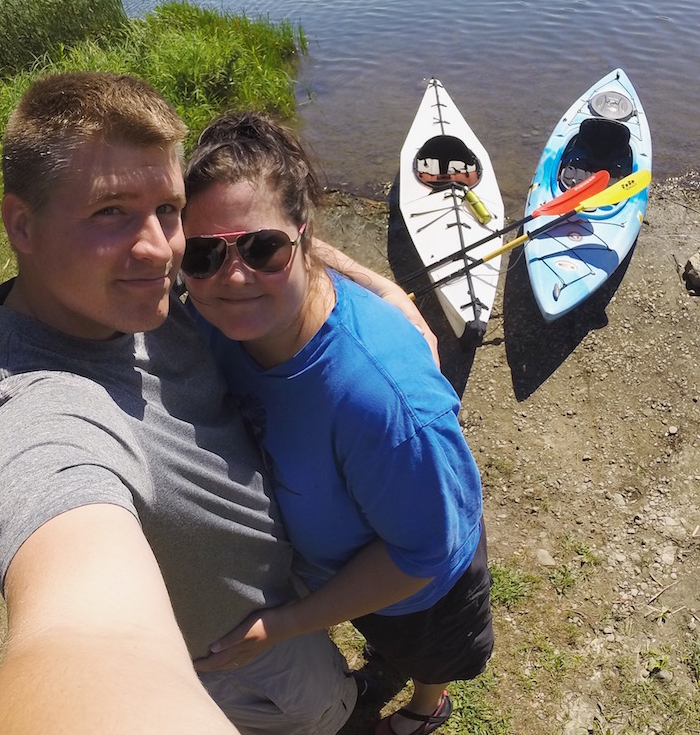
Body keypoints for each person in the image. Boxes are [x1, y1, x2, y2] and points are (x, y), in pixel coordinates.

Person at [0, 71, 436, 735]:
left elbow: (259, 231)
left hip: (288, 595)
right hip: (241, 655)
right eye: (111, 212)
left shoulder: (140, 292)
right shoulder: (39, 413)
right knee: (330, 717)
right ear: (23, 225)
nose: (162, 250)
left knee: (335, 686)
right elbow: (76, 637)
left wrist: (385, 294)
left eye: (168, 209)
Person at [180, 112, 494, 735]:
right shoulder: (216, 323)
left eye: (262, 249)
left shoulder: (382, 401)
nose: (233, 276)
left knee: (428, 654)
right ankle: (388, 662)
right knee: (384, 636)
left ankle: (426, 708)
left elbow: (421, 555)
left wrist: (286, 624)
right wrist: (386, 287)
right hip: (345, 570)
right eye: (205, 252)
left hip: (425, 589)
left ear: (300, 235)